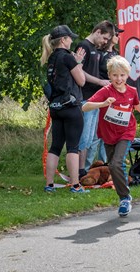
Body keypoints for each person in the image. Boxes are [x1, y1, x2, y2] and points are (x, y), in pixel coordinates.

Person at [82, 56, 140, 216]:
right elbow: (86, 107)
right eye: (115, 75)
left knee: (117, 164)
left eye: (122, 75)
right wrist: (102, 104)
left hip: (126, 132)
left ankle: (125, 198)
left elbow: (137, 105)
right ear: (109, 75)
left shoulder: (132, 92)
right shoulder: (106, 91)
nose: (119, 78)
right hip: (108, 135)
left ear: (127, 75)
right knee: (112, 166)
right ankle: (124, 195)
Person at [41, 25, 88, 194]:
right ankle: (75, 185)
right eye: (69, 38)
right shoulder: (68, 58)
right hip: (71, 107)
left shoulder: (51, 57)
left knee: (56, 146)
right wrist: (79, 62)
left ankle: (50, 184)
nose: (71, 40)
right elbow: (81, 81)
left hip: (55, 107)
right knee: (73, 147)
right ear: (63, 40)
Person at [75, 20, 115, 177]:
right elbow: (79, 71)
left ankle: (84, 170)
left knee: (91, 137)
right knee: (84, 137)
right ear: (97, 31)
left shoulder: (96, 49)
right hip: (85, 98)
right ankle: (79, 171)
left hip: (96, 98)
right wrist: (99, 81)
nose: (105, 42)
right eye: (104, 38)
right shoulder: (83, 46)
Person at [87, 24, 125, 170]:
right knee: (96, 134)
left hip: (114, 98)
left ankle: (106, 166)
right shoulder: (98, 53)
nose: (118, 37)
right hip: (100, 96)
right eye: (116, 34)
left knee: (109, 133)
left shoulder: (116, 55)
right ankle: (88, 167)